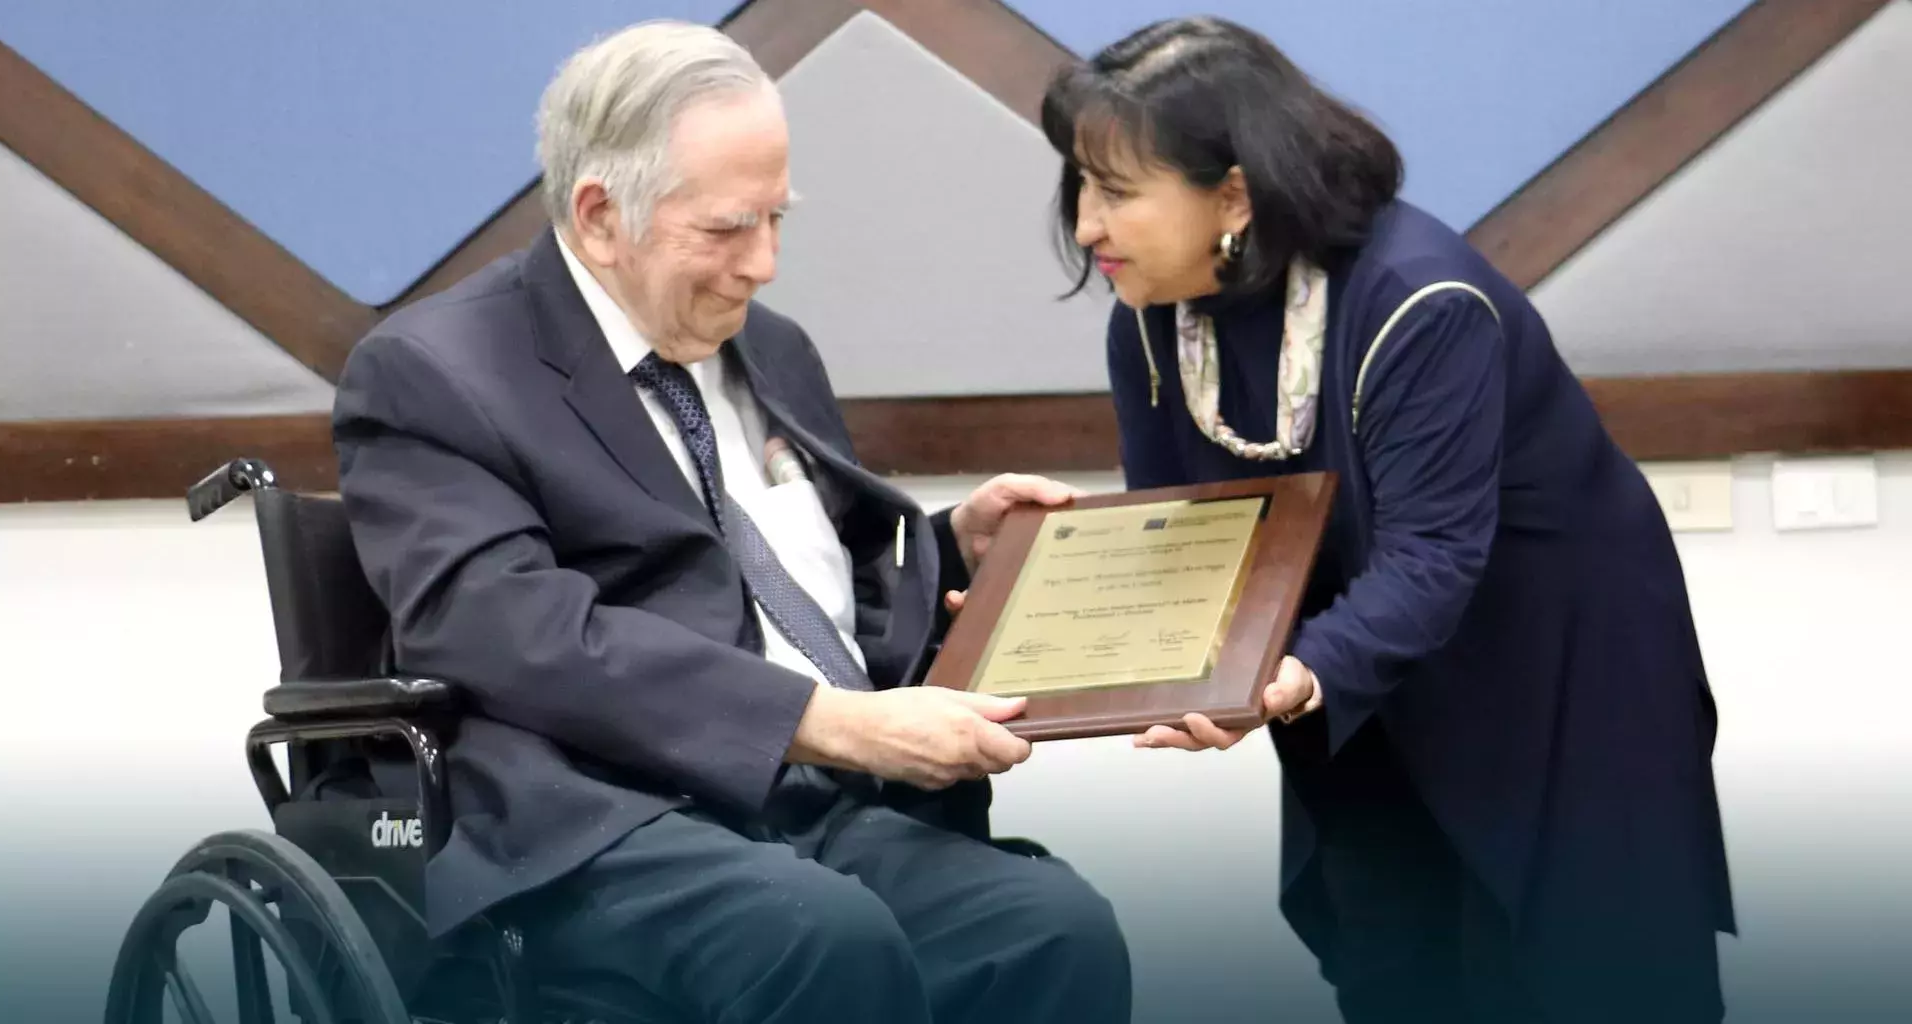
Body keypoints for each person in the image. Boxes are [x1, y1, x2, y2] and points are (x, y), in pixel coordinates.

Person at [331, 20, 1129, 1024]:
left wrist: (946, 542)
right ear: (600, 216)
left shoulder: (769, 347)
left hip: (800, 798)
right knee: (822, 936)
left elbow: (790, 577)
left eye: (777, 219)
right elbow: (510, 630)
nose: (764, 263)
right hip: (600, 815)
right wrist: (824, 723)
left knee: (1050, 926)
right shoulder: (436, 372)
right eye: (727, 228)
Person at [1032, 15, 1734, 1024]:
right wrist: (1047, 621)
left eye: (1117, 191)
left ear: (1233, 192)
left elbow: (1436, 560)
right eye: (1079, 186)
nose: (1088, 226)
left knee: (1585, 971)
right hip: (1342, 673)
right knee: (1395, 961)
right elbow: (1186, 534)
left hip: (1549, 667)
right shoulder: (1149, 311)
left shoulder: (1419, 297)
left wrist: (1288, 674)